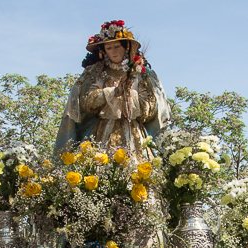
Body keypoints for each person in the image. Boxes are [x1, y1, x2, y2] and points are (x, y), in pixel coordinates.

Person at [54, 20, 170, 164]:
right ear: (103, 51)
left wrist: (129, 96)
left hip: (134, 134)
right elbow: (86, 101)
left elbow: (150, 107)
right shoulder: (95, 73)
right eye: (109, 48)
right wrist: (113, 92)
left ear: (126, 47)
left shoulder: (140, 73)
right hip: (102, 133)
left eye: (117, 46)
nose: (114, 51)